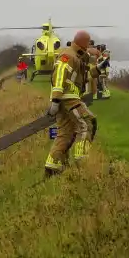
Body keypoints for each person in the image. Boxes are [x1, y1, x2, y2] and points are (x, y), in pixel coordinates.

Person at [44, 30, 97, 176]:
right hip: (67, 98)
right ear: (82, 42)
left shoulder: (78, 56)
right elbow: (60, 75)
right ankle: (82, 161)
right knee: (87, 123)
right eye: (88, 41)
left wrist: (98, 69)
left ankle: (52, 166)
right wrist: (55, 100)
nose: (89, 45)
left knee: (65, 133)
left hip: (68, 97)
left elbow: (83, 77)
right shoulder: (68, 55)